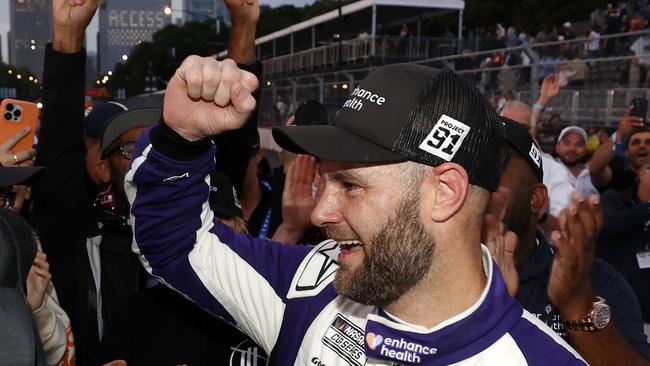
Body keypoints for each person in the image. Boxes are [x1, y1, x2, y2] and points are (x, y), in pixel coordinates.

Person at [126, 60, 586, 364]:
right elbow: (177, 245)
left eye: (350, 186)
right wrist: (178, 139)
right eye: (325, 180)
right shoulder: (308, 286)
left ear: (445, 192)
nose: (322, 212)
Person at [495, 119, 650, 364]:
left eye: (493, 169)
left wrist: (578, 306)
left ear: (536, 198)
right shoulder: (430, 272)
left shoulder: (594, 280)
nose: (474, 182)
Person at [597, 160, 650, 340]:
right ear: (642, 174)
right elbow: (608, 226)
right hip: (618, 313)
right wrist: (647, 208)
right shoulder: (614, 198)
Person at [554, 126, 600, 198]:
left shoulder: (592, 174)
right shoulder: (547, 170)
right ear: (557, 148)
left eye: (579, 145)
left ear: (585, 150)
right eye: (567, 143)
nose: (572, 148)